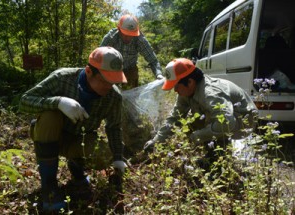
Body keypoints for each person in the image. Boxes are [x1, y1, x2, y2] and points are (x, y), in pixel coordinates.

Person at [19, 47, 128, 212]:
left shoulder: (114, 97)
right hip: (51, 135)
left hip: (79, 141)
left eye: (113, 81)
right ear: (89, 71)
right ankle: (49, 186)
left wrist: (118, 158)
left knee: (104, 154)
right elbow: (25, 101)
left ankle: (77, 167)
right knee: (50, 115)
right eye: (105, 80)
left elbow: (114, 128)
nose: (109, 86)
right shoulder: (62, 78)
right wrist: (58, 102)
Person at [144, 58, 258, 155]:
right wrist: (157, 141)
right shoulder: (186, 91)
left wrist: (197, 136)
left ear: (190, 82)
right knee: (188, 120)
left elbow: (226, 123)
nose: (175, 90)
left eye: (176, 86)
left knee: (211, 120)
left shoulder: (210, 93)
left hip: (244, 120)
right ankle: (206, 150)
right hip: (228, 118)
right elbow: (174, 117)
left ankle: (218, 156)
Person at [100, 14, 164, 89]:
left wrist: (158, 74)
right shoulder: (111, 37)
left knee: (130, 95)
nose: (128, 38)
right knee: (108, 92)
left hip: (130, 69)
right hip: (111, 68)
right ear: (119, 29)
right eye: (125, 34)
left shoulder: (140, 40)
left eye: (131, 35)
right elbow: (99, 56)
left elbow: (153, 60)